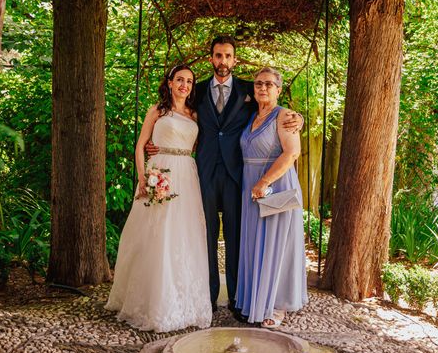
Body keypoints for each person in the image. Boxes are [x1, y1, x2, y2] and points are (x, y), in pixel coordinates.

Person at [146, 36, 302, 322]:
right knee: (204, 235)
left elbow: (275, 113)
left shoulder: (249, 89)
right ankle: (206, 295)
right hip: (203, 173)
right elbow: (174, 112)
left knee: (236, 236)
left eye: (228, 56)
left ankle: (236, 298)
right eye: (218, 56)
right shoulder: (198, 90)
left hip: (237, 176)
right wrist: (154, 142)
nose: (222, 61)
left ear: (235, 60)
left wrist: (298, 118)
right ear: (211, 59)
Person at [105, 65, 212, 333]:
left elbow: (197, 146)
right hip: (159, 172)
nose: (184, 85)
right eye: (180, 80)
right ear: (170, 82)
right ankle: (152, 302)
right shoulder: (158, 110)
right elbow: (140, 145)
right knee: (156, 235)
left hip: (186, 175)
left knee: (184, 236)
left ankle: (183, 301)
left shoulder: (195, 114)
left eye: (189, 81)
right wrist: (143, 178)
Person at [235, 67, 308, 328]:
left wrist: (264, 181)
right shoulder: (251, 116)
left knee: (277, 246)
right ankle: (256, 299)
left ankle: (277, 306)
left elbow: (292, 153)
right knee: (257, 245)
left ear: (279, 89)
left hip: (274, 185)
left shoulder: (285, 116)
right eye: (258, 84)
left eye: (268, 84)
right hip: (251, 187)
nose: (262, 88)